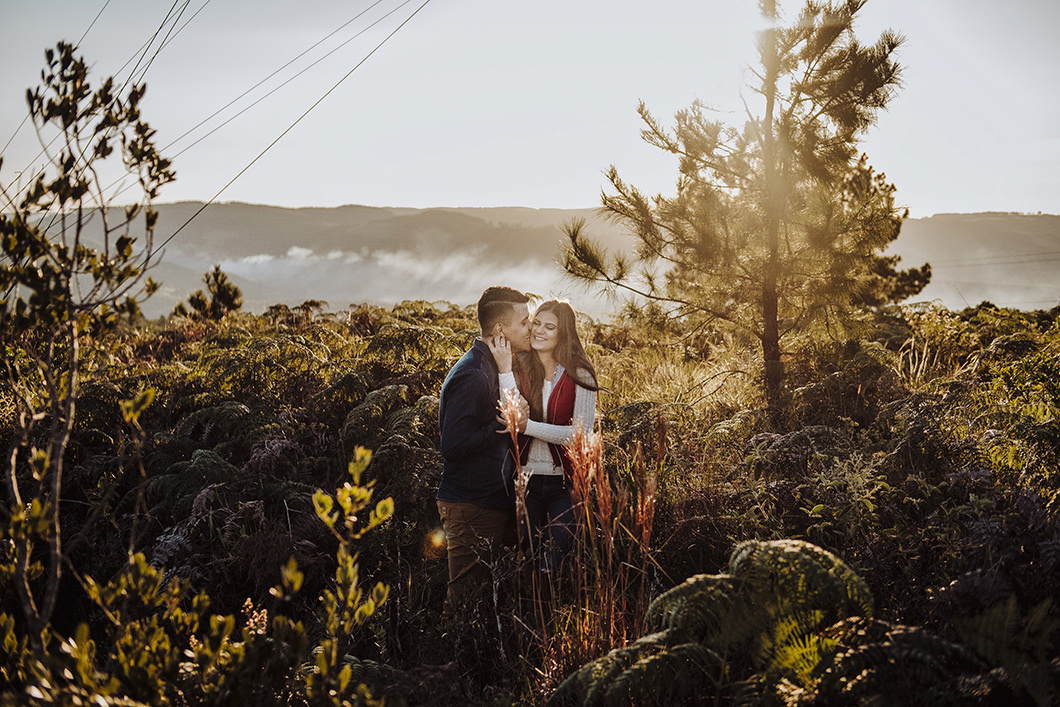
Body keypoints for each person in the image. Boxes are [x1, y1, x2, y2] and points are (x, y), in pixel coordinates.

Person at [436, 286, 531, 612]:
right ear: (500, 330)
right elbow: (453, 444)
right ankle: (448, 662)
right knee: (463, 601)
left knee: (487, 595)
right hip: (470, 504)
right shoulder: (474, 374)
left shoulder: (492, 365)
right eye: (524, 321)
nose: (530, 327)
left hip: (489, 499)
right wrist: (502, 424)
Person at [490, 299, 598, 575]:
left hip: (565, 484)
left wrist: (528, 427)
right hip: (525, 482)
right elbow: (509, 413)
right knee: (528, 562)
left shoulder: (580, 373)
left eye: (549, 327)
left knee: (554, 565)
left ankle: (552, 615)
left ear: (564, 334)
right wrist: (504, 369)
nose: (538, 330)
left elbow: (580, 435)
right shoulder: (519, 367)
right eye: (536, 323)